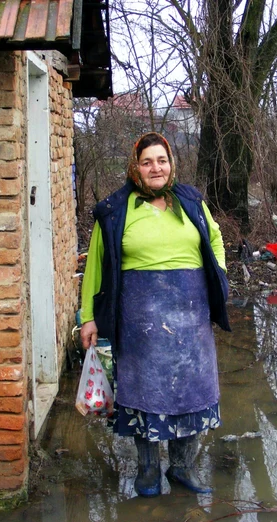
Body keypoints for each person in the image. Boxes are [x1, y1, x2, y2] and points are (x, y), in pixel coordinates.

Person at [79, 132, 230, 497]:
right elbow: (96, 264)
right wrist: (88, 316)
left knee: (191, 391)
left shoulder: (191, 200)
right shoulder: (116, 210)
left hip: (190, 315)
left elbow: (215, 238)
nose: (155, 168)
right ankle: (148, 473)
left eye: (161, 160)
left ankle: (182, 468)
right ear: (135, 167)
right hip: (140, 320)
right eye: (147, 162)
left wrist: (219, 281)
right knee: (143, 393)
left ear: (171, 163)